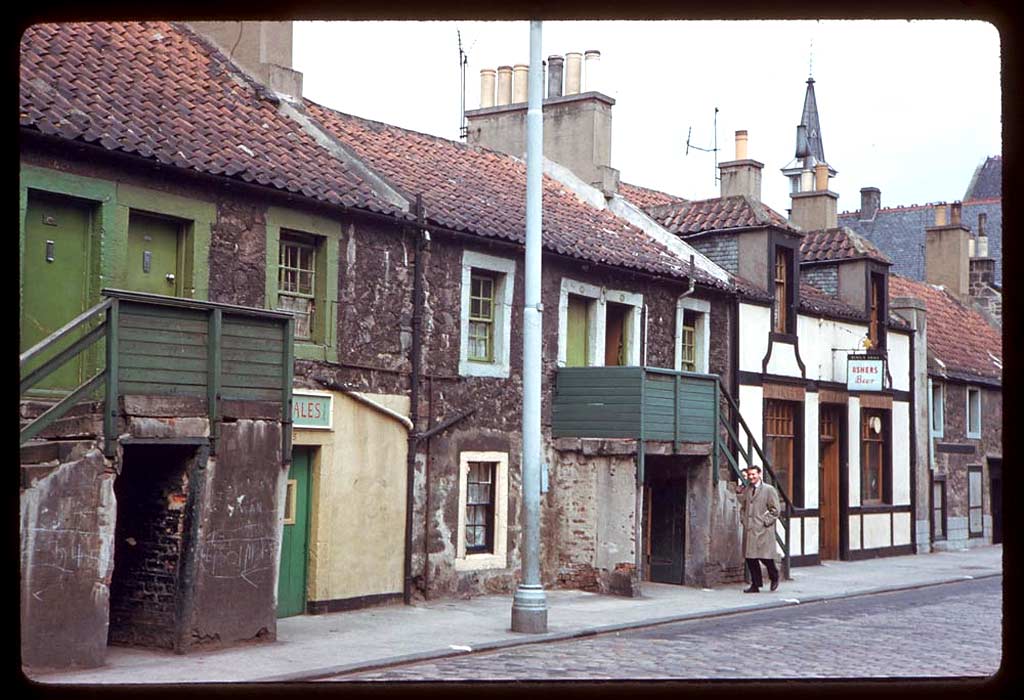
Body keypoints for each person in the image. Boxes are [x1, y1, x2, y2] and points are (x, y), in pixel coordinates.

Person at [735, 464, 780, 593]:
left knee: (765, 557)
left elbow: (775, 510)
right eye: (749, 475)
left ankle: (774, 576)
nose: (751, 477)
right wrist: (743, 519)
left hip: (763, 530)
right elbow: (743, 506)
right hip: (749, 529)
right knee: (750, 558)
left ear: (759, 474)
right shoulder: (747, 489)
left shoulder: (768, 489)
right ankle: (756, 584)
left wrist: (765, 522)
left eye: (754, 474)